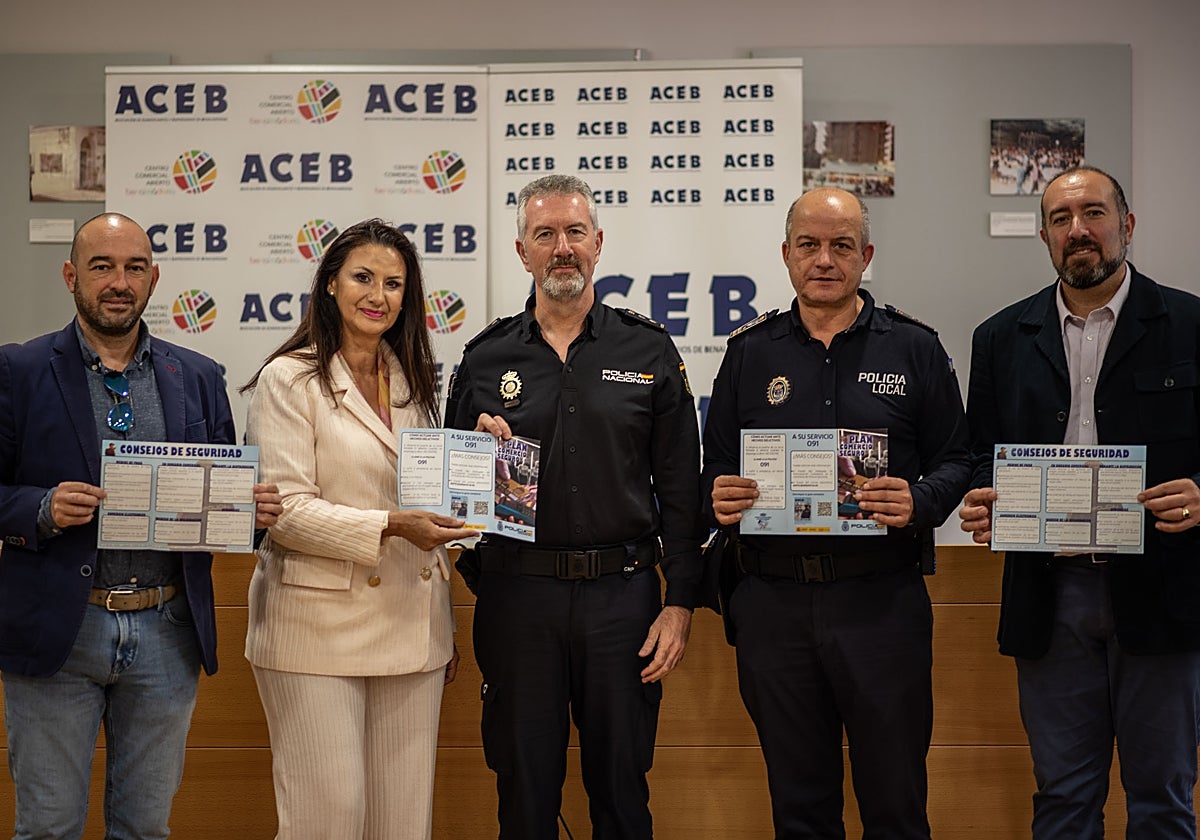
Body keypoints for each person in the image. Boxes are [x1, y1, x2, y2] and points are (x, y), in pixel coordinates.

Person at [0, 212, 282, 840]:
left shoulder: (200, 376)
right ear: (72, 276)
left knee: (146, 829)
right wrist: (40, 509)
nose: (118, 281)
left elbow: (217, 501)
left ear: (155, 278)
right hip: (59, 634)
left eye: (133, 268)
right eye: (102, 266)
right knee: (47, 827)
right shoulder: (17, 370)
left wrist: (248, 515)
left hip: (166, 632)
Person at [703, 187, 971, 839]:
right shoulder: (749, 353)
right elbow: (711, 471)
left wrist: (920, 501)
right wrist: (721, 496)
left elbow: (959, 460)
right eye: (809, 245)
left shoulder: (916, 349)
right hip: (774, 607)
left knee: (896, 804)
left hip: (882, 604)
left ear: (866, 255)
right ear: (787, 255)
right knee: (800, 808)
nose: (825, 259)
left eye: (842, 246)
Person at [445, 174, 702, 840]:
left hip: (624, 602)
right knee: (524, 796)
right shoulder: (484, 357)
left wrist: (679, 605)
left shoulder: (648, 350)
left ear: (598, 244)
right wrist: (475, 468)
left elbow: (680, 490)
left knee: (621, 791)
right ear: (522, 251)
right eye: (546, 235)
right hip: (518, 603)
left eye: (575, 233)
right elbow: (447, 500)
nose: (563, 248)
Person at [959, 165, 1200, 839]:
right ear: (1043, 236)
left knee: (1163, 796)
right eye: (1062, 219)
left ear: (1126, 225)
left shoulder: (1189, 323)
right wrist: (982, 499)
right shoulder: (1001, 338)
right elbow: (982, 454)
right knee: (1063, 799)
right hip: (1051, 592)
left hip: (1163, 592)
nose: (1078, 231)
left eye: (1093, 214)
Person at [241, 219, 476, 840]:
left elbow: (430, 500)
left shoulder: (413, 380)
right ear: (329, 286)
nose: (378, 295)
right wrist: (393, 526)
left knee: (404, 826)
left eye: (394, 283)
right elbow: (284, 511)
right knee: (327, 822)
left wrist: (483, 459)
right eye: (363, 278)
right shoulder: (289, 378)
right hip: (314, 634)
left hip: (411, 629)